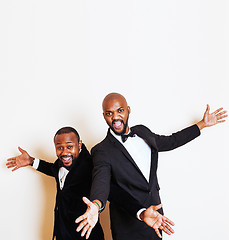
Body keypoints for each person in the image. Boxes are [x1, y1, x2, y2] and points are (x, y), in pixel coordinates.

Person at [75, 93, 227, 240]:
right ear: (104, 116)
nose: (115, 117)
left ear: (128, 109)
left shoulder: (142, 131)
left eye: (120, 111)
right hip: (127, 224)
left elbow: (171, 141)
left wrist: (202, 124)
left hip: (155, 215)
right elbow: (101, 182)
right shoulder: (102, 150)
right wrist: (96, 205)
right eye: (109, 113)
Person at [6, 127, 104, 240]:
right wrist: (31, 161)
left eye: (69, 146)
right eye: (60, 148)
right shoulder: (61, 163)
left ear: (79, 144)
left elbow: (105, 188)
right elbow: (52, 170)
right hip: (63, 232)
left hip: (86, 234)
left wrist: (98, 206)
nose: (64, 152)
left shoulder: (91, 166)